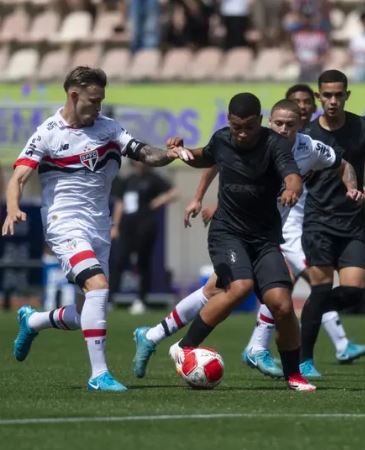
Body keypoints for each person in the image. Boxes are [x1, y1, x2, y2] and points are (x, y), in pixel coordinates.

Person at [131, 96, 365, 379]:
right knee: (248, 287)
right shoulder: (246, 142)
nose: (283, 130)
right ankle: (264, 349)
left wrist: (351, 187)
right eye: (278, 123)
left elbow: (341, 165)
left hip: (278, 227)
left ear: (301, 124)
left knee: (236, 289)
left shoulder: (308, 148)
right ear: (268, 122)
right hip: (245, 228)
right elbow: (215, 161)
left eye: (290, 125)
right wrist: (198, 196)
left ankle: (159, 336)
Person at [3, 66, 184, 392]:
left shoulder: (109, 128)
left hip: (99, 225)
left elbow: (144, 152)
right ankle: (98, 375)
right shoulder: (48, 133)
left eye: (101, 100)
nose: (98, 107)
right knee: (98, 288)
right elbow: (17, 177)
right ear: (74, 95)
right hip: (64, 223)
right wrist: (14, 207)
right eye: (93, 100)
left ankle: (33, 320)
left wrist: (169, 155)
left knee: (87, 311)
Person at [163, 93, 315, 391]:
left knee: (282, 306)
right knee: (240, 286)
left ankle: (294, 375)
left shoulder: (275, 144)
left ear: (259, 121)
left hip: (264, 239)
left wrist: (292, 189)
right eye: (236, 127)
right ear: (228, 122)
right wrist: (180, 151)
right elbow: (201, 156)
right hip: (227, 234)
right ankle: (185, 346)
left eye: (248, 126)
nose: (242, 133)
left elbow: (292, 176)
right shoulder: (222, 140)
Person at [298, 69, 365, 378]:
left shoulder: (363, 128)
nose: (332, 101)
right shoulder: (308, 137)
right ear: (319, 97)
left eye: (338, 95)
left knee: (355, 291)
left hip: (352, 223)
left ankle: (305, 315)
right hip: (318, 222)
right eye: (326, 95)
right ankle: (304, 361)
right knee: (322, 287)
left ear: (346, 95)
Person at [110, 161, 178, 314]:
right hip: (127, 225)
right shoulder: (127, 180)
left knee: (143, 262)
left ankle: (141, 299)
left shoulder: (153, 179)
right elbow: (119, 204)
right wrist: (115, 225)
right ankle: (110, 298)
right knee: (120, 259)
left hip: (145, 224)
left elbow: (173, 192)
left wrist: (157, 202)